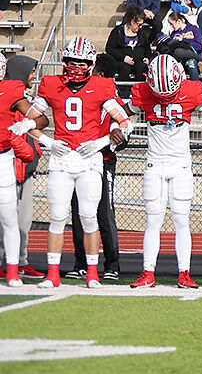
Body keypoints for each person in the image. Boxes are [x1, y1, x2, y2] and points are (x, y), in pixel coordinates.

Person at [30, 37, 130, 288]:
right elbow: (29, 121)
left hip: (89, 159)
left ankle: (93, 272)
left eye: (81, 62)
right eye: (72, 62)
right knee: (57, 216)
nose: (75, 67)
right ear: (64, 61)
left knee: (88, 217)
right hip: (62, 158)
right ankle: (53, 273)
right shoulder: (51, 84)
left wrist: (101, 142)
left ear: (91, 63)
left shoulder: (103, 85)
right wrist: (48, 142)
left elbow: (124, 122)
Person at [128, 56, 202, 289]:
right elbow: (123, 112)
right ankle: (148, 272)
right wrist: (118, 124)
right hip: (155, 163)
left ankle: (184, 273)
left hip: (180, 164)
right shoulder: (142, 91)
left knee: (181, 220)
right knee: (154, 220)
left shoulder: (191, 89)